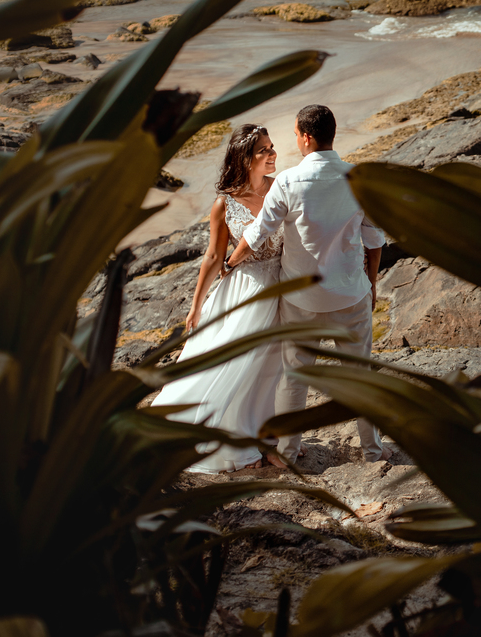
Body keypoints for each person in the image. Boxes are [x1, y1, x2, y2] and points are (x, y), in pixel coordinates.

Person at [225, 104, 389, 466]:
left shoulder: (287, 181)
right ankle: (373, 453)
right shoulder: (357, 178)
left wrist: (230, 262)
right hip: (350, 294)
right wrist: (371, 284)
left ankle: (287, 454)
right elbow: (375, 241)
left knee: (294, 377)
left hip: (302, 300)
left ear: (306, 137)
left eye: (296, 134)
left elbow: (259, 232)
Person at [152, 124, 286, 473]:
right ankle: (223, 437)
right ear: (245, 157)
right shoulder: (224, 204)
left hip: (283, 284)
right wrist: (196, 305)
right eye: (264, 150)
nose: (273, 154)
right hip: (245, 289)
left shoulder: (282, 188)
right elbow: (213, 258)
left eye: (272, 148)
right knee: (235, 362)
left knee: (271, 365)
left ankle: (264, 437)